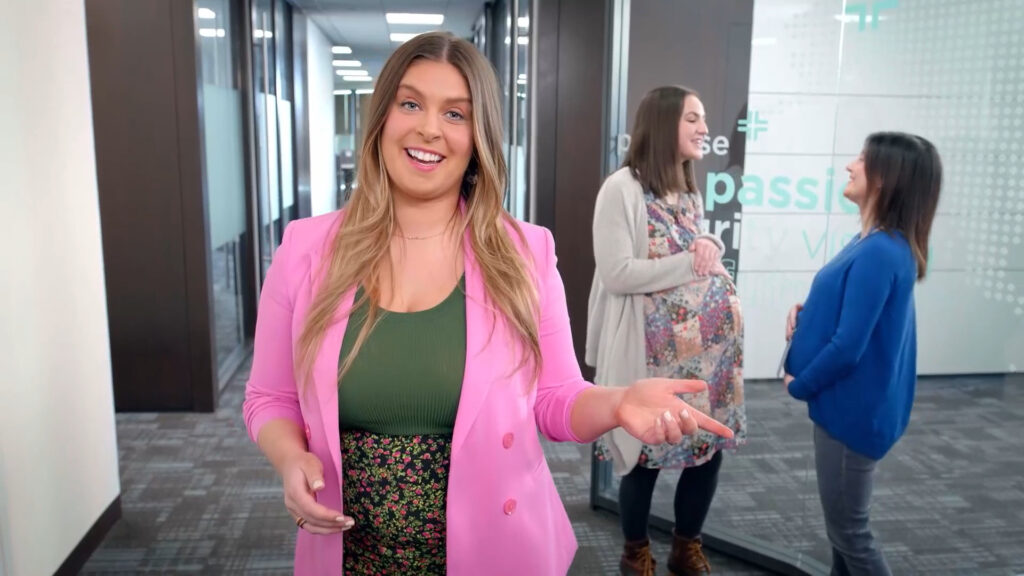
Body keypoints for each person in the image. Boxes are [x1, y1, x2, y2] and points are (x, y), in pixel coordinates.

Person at [242, 32, 734, 576]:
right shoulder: (306, 250)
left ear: (478, 138)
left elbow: (556, 398)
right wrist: (290, 458)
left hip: (496, 551)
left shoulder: (524, 252)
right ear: (382, 117)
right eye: (411, 104)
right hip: (349, 556)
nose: (430, 128)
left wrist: (617, 404)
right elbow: (269, 396)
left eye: (455, 114)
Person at [586, 85, 747, 576]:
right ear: (663, 124)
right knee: (644, 455)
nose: (705, 129)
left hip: (706, 358)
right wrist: (691, 265)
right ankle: (635, 551)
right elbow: (618, 273)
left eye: (703, 118)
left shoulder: (687, 189)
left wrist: (707, 245)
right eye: (692, 119)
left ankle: (686, 546)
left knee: (706, 451)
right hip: (649, 355)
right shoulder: (621, 189)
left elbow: (692, 247)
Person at [783, 132, 943, 576]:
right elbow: (858, 317)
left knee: (851, 535)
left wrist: (800, 386)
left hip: (849, 417)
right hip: (849, 409)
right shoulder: (872, 242)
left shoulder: (880, 251)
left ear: (884, 178)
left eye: (861, 159)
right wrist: (808, 313)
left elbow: (849, 347)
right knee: (842, 538)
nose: (850, 166)